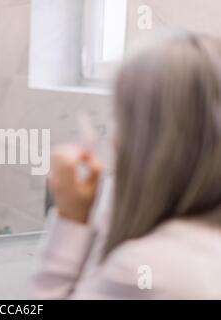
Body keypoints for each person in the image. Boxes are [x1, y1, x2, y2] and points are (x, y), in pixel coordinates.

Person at [31, 32, 221, 299]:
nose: (115, 139)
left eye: (122, 119)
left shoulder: (146, 269)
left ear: (153, 140)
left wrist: (71, 219)